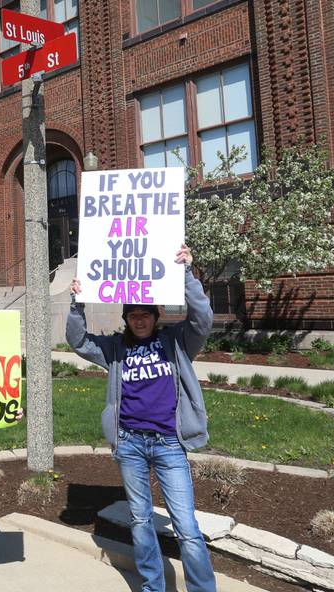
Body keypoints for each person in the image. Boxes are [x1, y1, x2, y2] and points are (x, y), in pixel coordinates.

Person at [66, 244, 216, 592]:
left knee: (187, 528)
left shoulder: (178, 342)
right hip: (130, 443)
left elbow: (203, 318)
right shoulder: (115, 349)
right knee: (140, 519)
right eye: (133, 313)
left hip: (169, 445)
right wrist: (77, 303)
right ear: (126, 317)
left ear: (155, 314)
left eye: (145, 312)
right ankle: (152, 586)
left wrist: (185, 273)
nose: (139, 318)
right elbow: (77, 340)